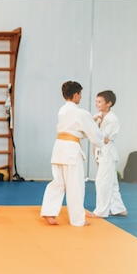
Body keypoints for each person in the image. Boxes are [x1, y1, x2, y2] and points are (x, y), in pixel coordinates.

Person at [40, 81, 105, 226]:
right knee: (75, 186)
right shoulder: (81, 113)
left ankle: (49, 212)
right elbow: (93, 134)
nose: (80, 97)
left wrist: (90, 122)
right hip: (71, 151)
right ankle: (77, 220)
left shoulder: (62, 110)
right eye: (80, 94)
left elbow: (77, 126)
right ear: (75, 95)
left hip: (58, 149)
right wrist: (101, 139)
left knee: (58, 182)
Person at [88, 90, 128, 218]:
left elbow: (104, 138)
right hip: (101, 153)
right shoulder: (100, 116)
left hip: (107, 153)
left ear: (109, 103)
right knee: (112, 182)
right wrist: (94, 121)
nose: (97, 104)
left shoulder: (112, 119)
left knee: (102, 182)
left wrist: (93, 124)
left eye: (100, 102)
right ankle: (119, 208)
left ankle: (101, 211)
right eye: (96, 101)